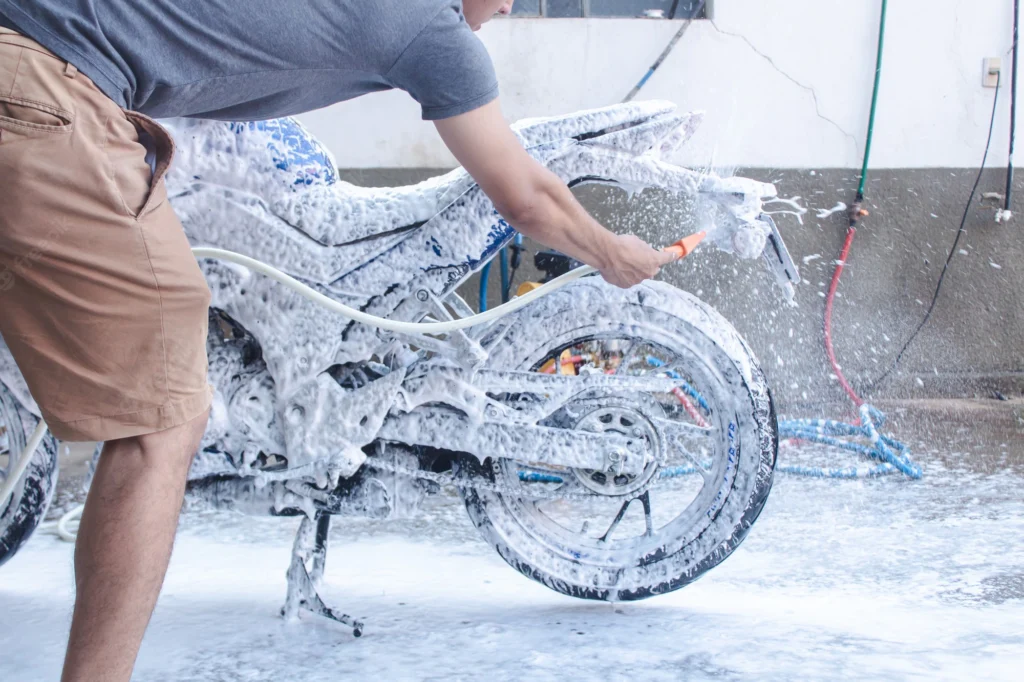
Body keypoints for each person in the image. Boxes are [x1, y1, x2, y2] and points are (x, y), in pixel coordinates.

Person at [0, 1, 675, 679]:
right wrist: (609, 251)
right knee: (163, 423)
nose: (506, 6)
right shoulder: (428, 27)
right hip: (48, 87)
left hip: (45, 72)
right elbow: (525, 195)